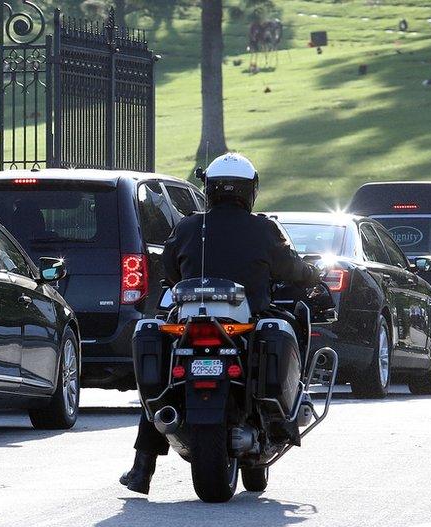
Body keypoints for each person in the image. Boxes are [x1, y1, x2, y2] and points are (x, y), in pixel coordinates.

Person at [119, 152, 321, 495]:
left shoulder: (186, 226)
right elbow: (291, 268)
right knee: (290, 325)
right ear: (249, 190)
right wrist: (311, 275)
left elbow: (169, 269)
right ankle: (283, 417)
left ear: (209, 189)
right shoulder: (264, 228)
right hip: (247, 322)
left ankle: (143, 469)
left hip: (188, 321)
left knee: (166, 377)